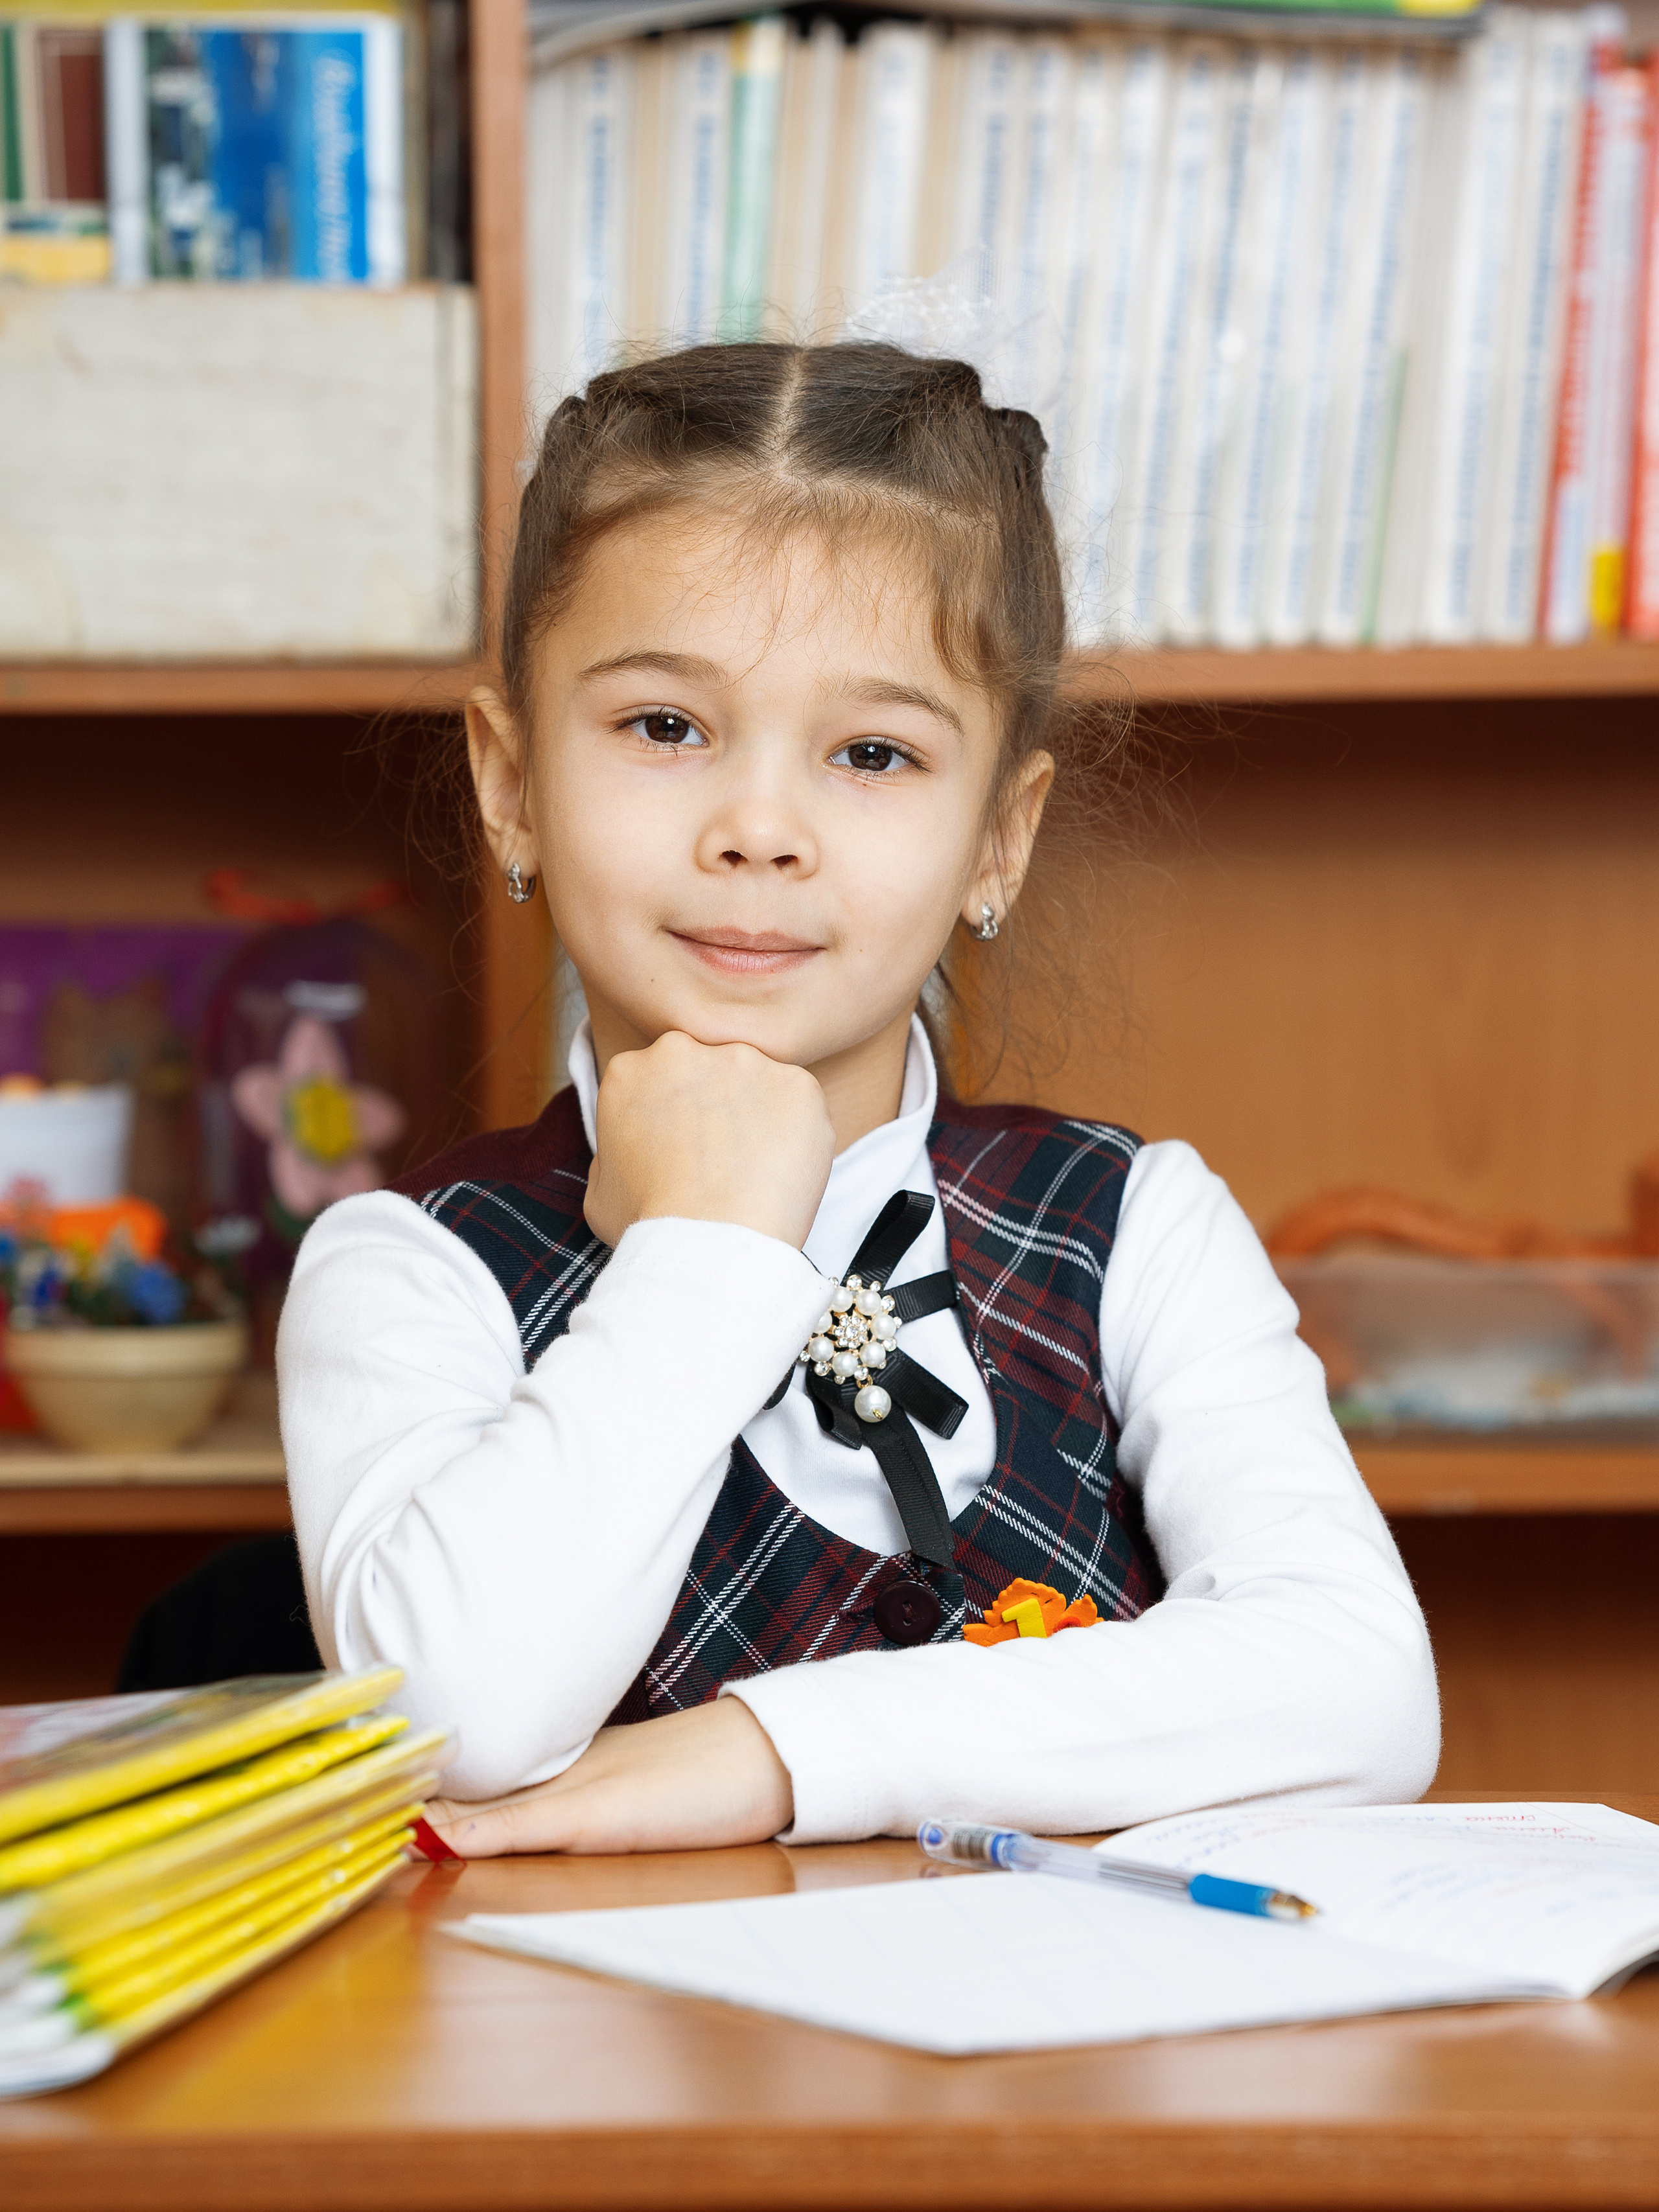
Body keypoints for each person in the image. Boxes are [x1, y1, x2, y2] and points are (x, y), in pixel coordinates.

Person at [278, 341, 1439, 1858]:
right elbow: (457, 1718)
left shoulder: (1129, 1227)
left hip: (1067, 2074)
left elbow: (1358, 1689)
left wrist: (766, 1755)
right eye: (665, 727)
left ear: (996, 840)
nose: (760, 829)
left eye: (873, 753)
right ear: (509, 782)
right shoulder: (408, 1268)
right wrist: (708, 1255)